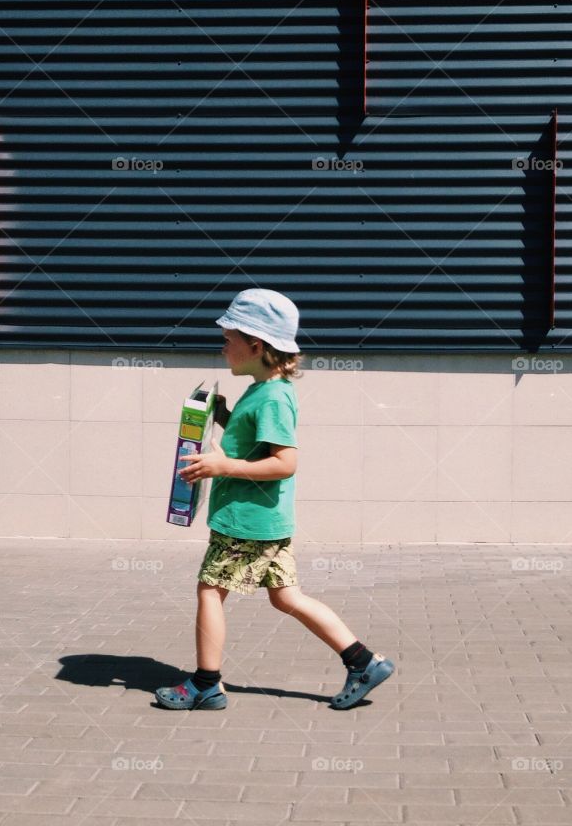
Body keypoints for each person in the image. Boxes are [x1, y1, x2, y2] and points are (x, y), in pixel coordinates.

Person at [155, 288, 395, 711]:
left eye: (228, 339)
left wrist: (222, 466)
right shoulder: (263, 389)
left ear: (256, 345)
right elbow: (256, 442)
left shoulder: (273, 397)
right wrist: (224, 416)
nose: (222, 346)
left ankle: (205, 685)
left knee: (210, 591)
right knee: (286, 597)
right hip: (267, 521)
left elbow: (285, 463)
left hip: (246, 521)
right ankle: (363, 662)